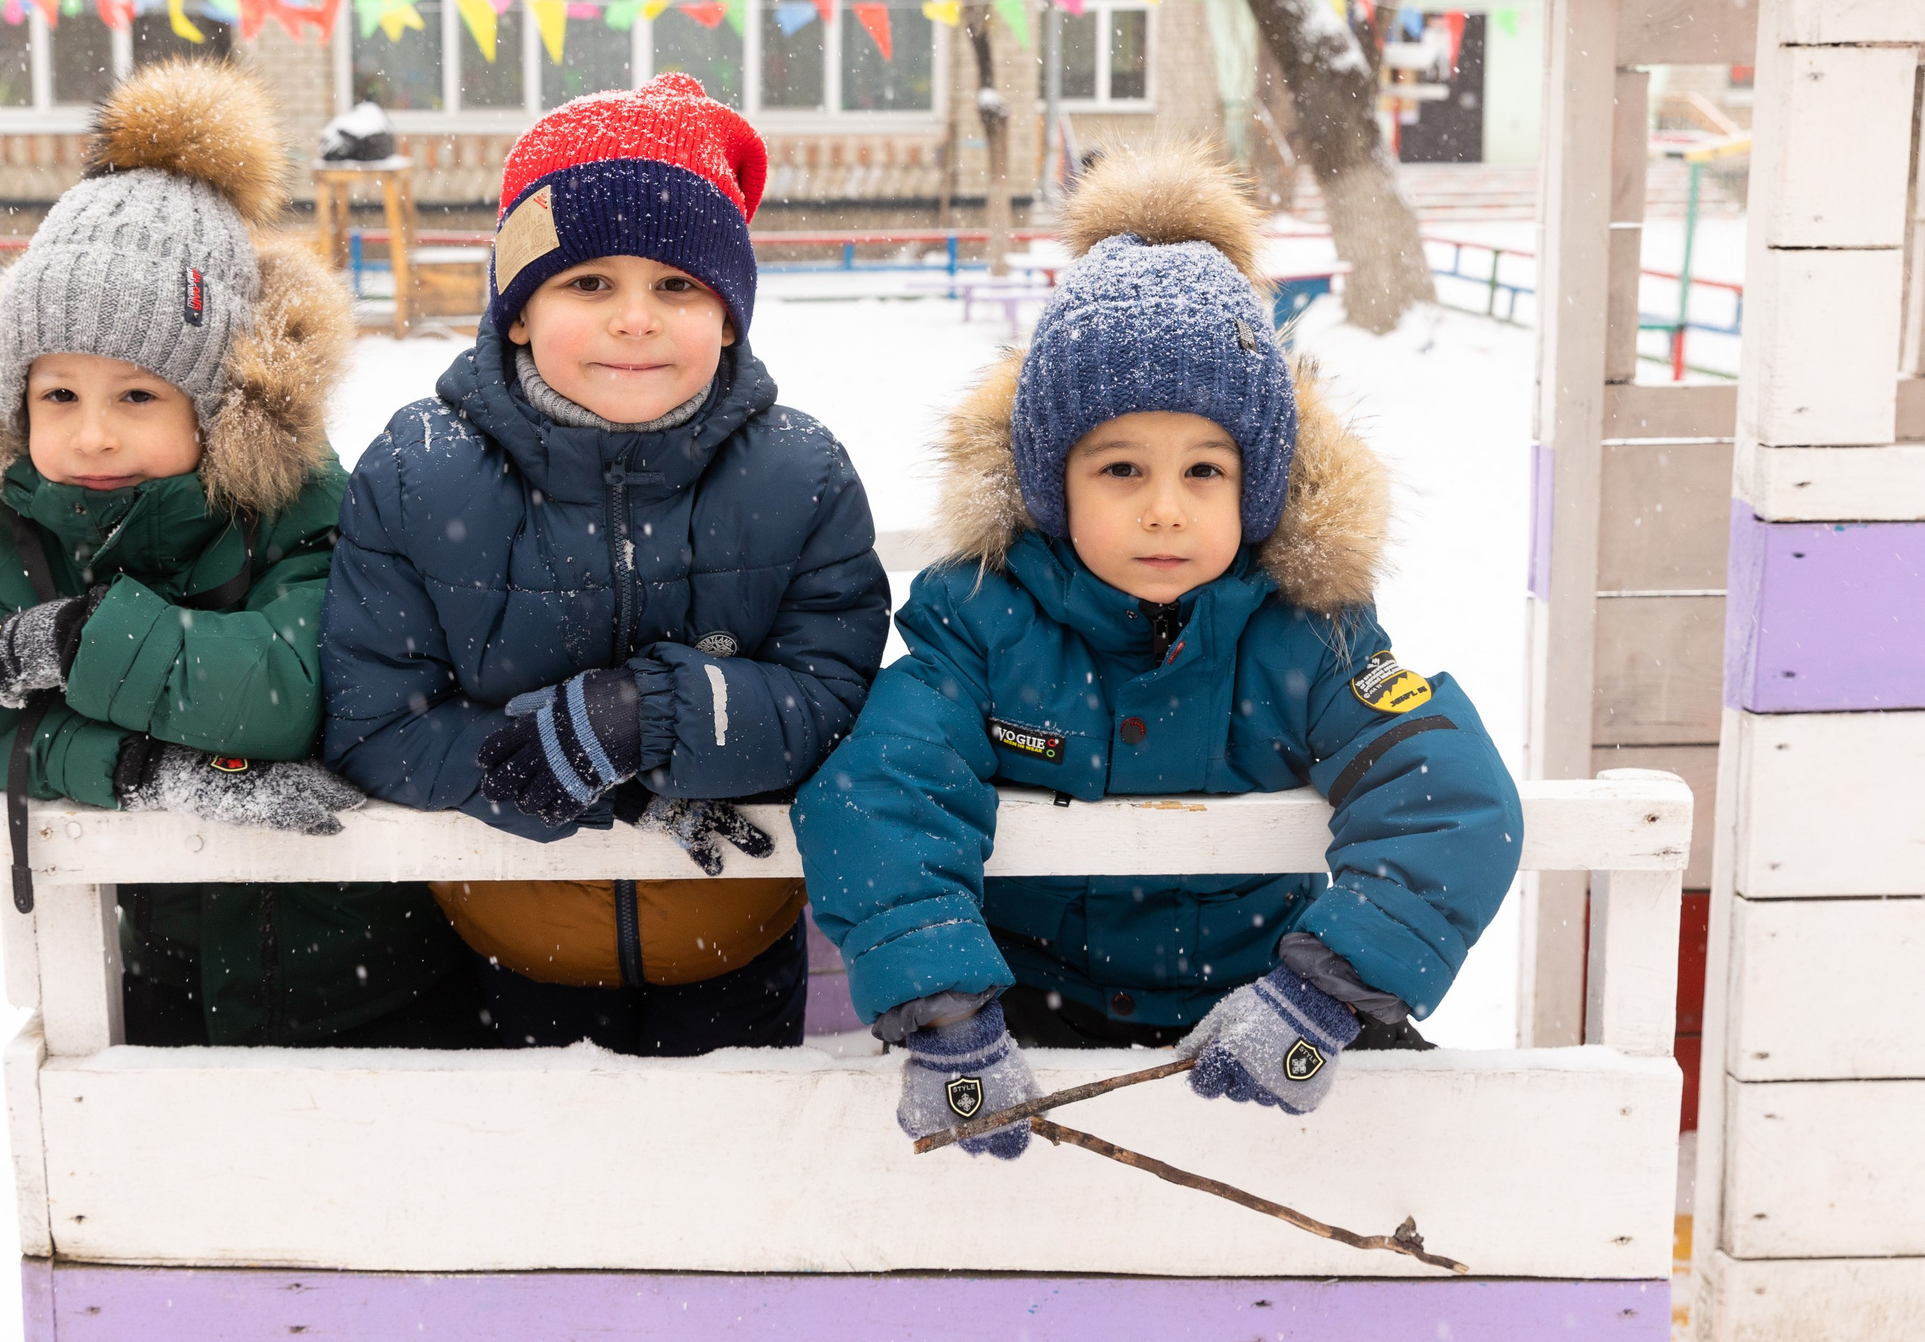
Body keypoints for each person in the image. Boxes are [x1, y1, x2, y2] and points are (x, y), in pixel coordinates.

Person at [794, 143, 1522, 1157]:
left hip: (1265, 999)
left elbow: (1447, 795)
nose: (1166, 510)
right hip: (1034, 1011)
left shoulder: (1308, 630)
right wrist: (945, 1006)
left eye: (1206, 472)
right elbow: (882, 790)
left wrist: (1327, 988)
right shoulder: (980, 621)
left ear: (1255, 487)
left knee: (1427, 1179)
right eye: (1122, 469)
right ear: (1054, 485)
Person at [0, 56, 482, 1049]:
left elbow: (287, 691)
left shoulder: (299, 509)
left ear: (213, 402)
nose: (91, 434)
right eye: (58, 396)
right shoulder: (10, 536)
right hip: (161, 982)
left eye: (136, 397)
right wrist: (140, 768)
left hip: (369, 974)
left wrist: (75, 643)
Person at [319, 73, 888, 1058]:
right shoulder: (418, 473)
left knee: (737, 1194)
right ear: (516, 311)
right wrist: (567, 765)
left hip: (736, 942)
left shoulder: (802, 476)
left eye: (677, 285)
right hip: (507, 940)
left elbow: (834, 699)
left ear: (729, 315)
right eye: (589, 283)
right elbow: (373, 722)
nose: (636, 318)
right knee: (538, 1199)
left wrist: (651, 719)